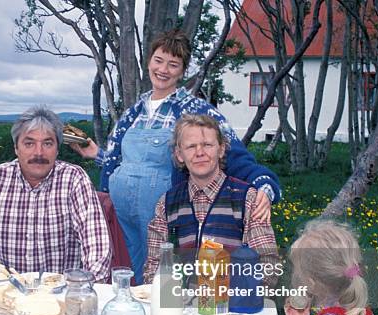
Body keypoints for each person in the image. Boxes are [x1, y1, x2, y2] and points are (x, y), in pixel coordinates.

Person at [71, 29, 281, 282]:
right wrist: (97, 155)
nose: (163, 69)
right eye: (158, 61)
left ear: (182, 72)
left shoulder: (195, 110)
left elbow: (232, 153)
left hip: (161, 214)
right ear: (148, 62)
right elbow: (123, 162)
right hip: (121, 213)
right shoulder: (132, 112)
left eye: (173, 64)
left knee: (162, 275)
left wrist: (263, 184)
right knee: (125, 271)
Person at [0, 105, 111, 282]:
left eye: (48, 143)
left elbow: (97, 245)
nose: (39, 152)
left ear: (58, 149)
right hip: (3, 293)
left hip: (59, 294)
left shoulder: (74, 179)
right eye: (29, 143)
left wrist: (84, 290)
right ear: (16, 148)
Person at [143, 114, 278, 285]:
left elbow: (269, 266)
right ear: (179, 155)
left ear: (221, 149)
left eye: (207, 145)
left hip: (232, 305)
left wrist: (226, 291)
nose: (200, 153)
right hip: (181, 305)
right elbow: (154, 267)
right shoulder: (167, 204)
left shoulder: (247, 199)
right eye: (191, 146)